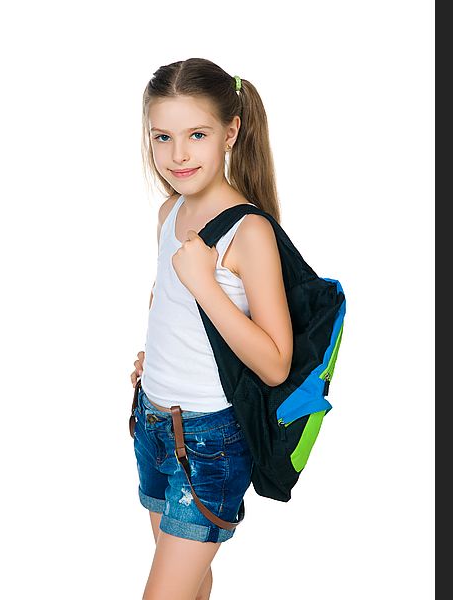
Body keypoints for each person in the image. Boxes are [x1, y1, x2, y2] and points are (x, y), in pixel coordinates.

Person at [129, 57, 293, 600]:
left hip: (209, 444)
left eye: (196, 134)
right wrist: (153, 356)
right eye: (162, 136)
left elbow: (275, 362)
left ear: (231, 131)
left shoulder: (249, 232)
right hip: (152, 423)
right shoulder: (169, 213)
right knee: (191, 584)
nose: (177, 154)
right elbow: (167, 301)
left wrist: (206, 285)